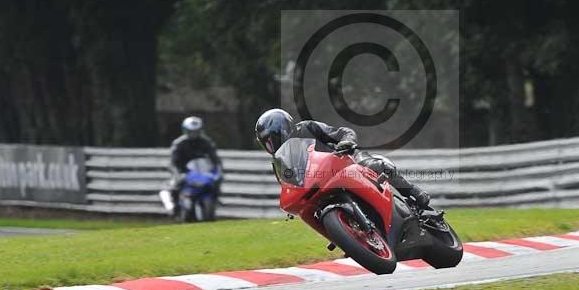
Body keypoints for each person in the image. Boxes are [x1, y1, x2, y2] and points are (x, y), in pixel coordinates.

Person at [255, 108, 431, 209]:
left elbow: (342, 132)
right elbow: (289, 185)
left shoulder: (307, 128)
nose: (270, 146)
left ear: (282, 129)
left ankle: (413, 191)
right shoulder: (280, 162)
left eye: (271, 140)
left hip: (346, 163)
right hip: (320, 187)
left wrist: (347, 142)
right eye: (266, 143)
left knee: (373, 165)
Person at [167, 116, 223, 214]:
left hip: (201, 171)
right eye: (191, 131)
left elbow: (215, 159)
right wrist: (178, 174)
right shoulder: (179, 144)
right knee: (174, 186)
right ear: (185, 130)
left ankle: (215, 200)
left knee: (215, 183)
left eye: (196, 131)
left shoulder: (206, 142)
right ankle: (175, 207)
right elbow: (173, 162)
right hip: (184, 171)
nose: (193, 134)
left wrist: (218, 172)